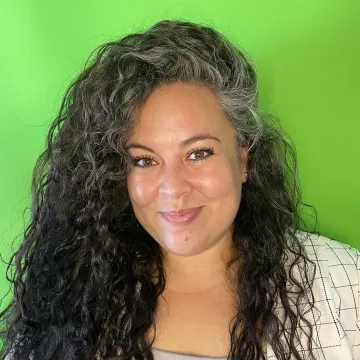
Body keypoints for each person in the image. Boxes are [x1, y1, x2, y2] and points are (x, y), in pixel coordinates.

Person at [0, 19, 359, 360]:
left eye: (198, 153)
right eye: (143, 160)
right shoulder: (66, 301)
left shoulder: (344, 283)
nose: (172, 189)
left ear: (243, 160)